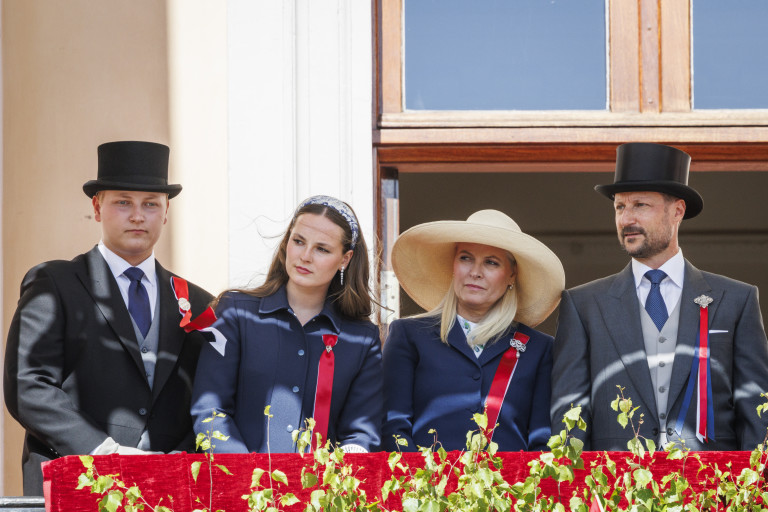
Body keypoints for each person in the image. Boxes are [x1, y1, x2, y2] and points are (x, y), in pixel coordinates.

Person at [4, 141, 214, 495]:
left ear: (166, 212)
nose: (137, 216)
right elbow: (28, 385)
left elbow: (208, 399)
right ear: (97, 207)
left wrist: (176, 461)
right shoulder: (54, 283)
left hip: (166, 491)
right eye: (123, 202)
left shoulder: (198, 301)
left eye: (151, 204)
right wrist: (103, 452)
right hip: (75, 483)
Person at [551, 142, 768, 451]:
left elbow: (757, 415)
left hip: (709, 479)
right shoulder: (582, 306)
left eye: (640, 205)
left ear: (677, 211)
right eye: (619, 207)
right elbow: (570, 417)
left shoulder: (737, 300)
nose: (626, 219)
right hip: (615, 480)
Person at [191, 196, 383, 453]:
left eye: (322, 249)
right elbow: (210, 412)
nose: (305, 256)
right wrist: (248, 475)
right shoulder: (234, 312)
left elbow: (361, 434)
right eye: (298, 241)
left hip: (323, 480)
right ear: (286, 242)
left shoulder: (362, 339)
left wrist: (341, 466)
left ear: (345, 259)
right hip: (239, 477)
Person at [382, 210, 565, 451]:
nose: (475, 272)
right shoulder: (408, 335)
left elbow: (542, 440)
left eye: (491, 262)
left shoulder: (539, 348)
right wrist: (418, 475)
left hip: (511, 477)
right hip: (422, 475)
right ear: (453, 265)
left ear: (511, 275)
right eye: (466, 258)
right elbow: (393, 427)